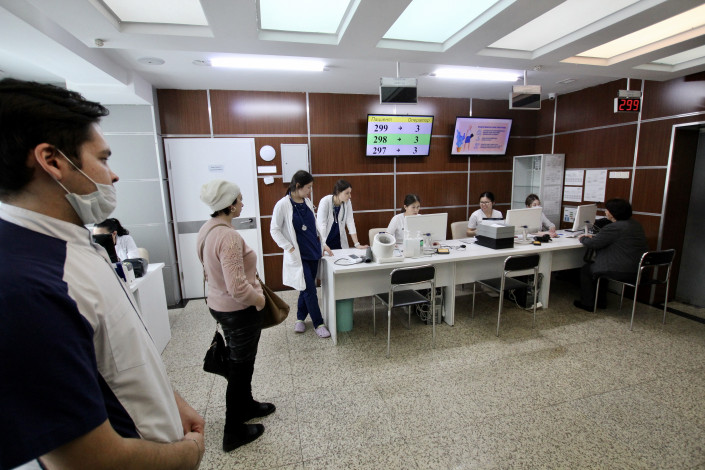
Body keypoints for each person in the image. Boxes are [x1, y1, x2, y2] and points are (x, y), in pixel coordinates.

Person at [0, 78, 204, 470]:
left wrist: (171, 401)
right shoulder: (26, 285)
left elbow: (117, 359)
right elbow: (89, 460)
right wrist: (186, 454)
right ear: (53, 161)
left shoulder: (72, 243)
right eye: (103, 158)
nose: (113, 176)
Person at [197, 179, 275, 452]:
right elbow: (238, 288)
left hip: (220, 305)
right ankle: (233, 431)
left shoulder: (207, 229)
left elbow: (210, 272)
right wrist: (260, 301)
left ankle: (247, 405)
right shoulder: (228, 237)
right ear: (230, 206)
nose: (243, 203)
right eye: (239, 199)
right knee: (240, 368)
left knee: (242, 363)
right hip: (238, 311)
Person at [270, 170, 333, 337]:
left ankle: (300, 318)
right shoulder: (283, 205)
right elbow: (274, 230)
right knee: (310, 290)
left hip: (313, 252)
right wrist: (288, 247)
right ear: (298, 186)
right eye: (308, 187)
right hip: (299, 256)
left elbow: (314, 228)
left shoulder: (307, 201)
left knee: (305, 287)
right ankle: (319, 323)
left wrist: (323, 244)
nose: (310, 191)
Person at [573, 198, 648, 312]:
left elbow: (594, 244)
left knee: (587, 269)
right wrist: (596, 237)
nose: (605, 212)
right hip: (638, 269)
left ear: (613, 213)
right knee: (598, 268)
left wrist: (582, 238)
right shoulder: (635, 225)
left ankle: (588, 303)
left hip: (622, 269)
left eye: (607, 210)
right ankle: (601, 301)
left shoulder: (614, 227)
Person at [316, 179, 367, 250]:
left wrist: (357, 244)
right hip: (325, 241)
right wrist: (323, 244)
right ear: (338, 192)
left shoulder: (347, 202)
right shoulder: (325, 201)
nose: (350, 196)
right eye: (347, 193)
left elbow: (350, 222)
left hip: (339, 242)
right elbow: (322, 225)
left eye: (350, 193)